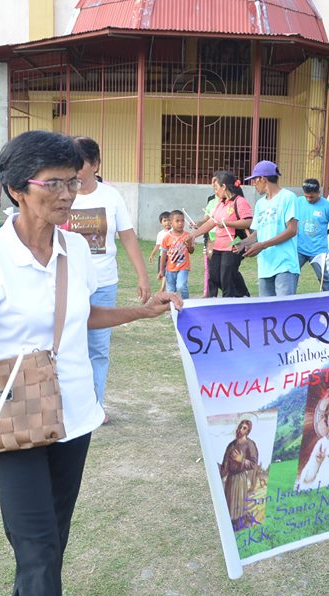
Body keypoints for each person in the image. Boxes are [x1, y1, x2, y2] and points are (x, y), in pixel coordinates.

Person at [0, 130, 181, 596]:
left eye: (73, 182)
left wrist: (140, 311)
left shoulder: (75, 246)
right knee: (36, 539)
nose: (68, 195)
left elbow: (81, 314)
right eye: (53, 184)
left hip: (74, 408)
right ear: (16, 189)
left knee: (54, 528)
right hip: (12, 409)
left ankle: (25, 591)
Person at [70, 136, 151, 409]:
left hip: (103, 283)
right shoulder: (62, 194)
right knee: (68, 346)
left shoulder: (111, 196)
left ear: (95, 164)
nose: (73, 171)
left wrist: (142, 276)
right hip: (67, 283)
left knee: (98, 349)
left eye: (79, 164)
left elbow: (128, 237)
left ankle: (96, 404)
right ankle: (70, 404)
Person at [239, 160, 299, 296]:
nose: (253, 184)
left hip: (285, 265)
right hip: (265, 266)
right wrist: (243, 243)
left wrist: (263, 245)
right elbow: (257, 233)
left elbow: (292, 230)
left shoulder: (288, 197)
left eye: (254, 180)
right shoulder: (260, 204)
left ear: (262, 179)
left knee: (283, 312)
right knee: (266, 312)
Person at [190, 171, 253, 298]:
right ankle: (241, 294)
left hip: (233, 242)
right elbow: (212, 221)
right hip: (219, 245)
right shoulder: (221, 203)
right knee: (214, 276)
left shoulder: (239, 201)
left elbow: (249, 221)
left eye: (216, 187)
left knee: (227, 277)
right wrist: (194, 235)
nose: (215, 191)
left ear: (224, 187)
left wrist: (228, 223)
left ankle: (229, 303)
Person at [295, 178, 329, 291]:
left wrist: (327, 232)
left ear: (318, 193)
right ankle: (290, 297)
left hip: (318, 250)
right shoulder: (298, 202)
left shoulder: (327, 206)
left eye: (311, 197)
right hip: (299, 248)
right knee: (292, 274)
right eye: (306, 196)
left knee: (323, 277)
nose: (308, 199)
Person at [219, 419, 260, 531]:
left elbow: (253, 463)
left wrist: (242, 460)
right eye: (240, 427)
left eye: (244, 428)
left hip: (241, 479)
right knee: (229, 506)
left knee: (239, 506)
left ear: (248, 431)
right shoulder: (231, 446)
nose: (240, 430)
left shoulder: (250, 444)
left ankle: (240, 526)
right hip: (230, 480)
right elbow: (225, 467)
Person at [159, 209, 194, 299]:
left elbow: (191, 251)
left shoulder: (188, 236)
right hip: (170, 269)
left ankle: (186, 304)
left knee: (181, 286)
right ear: (171, 223)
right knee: (170, 291)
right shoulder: (167, 237)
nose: (180, 223)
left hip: (183, 267)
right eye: (177, 221)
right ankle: (173, 311)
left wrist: (189, 245)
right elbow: (163, 255)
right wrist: (161, 270)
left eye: (182, 221)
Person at [148, 210, 172, 292]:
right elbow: (158, 245)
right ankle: (164, 288)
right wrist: (152, 255)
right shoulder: (160, 234)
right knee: (162, 273)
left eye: (169, 220)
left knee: (168, 273)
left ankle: (162, 289)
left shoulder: (174, 232)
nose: (167, 223)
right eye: (164, 221)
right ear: (161, 222)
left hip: (171, 256)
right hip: (162, 256)